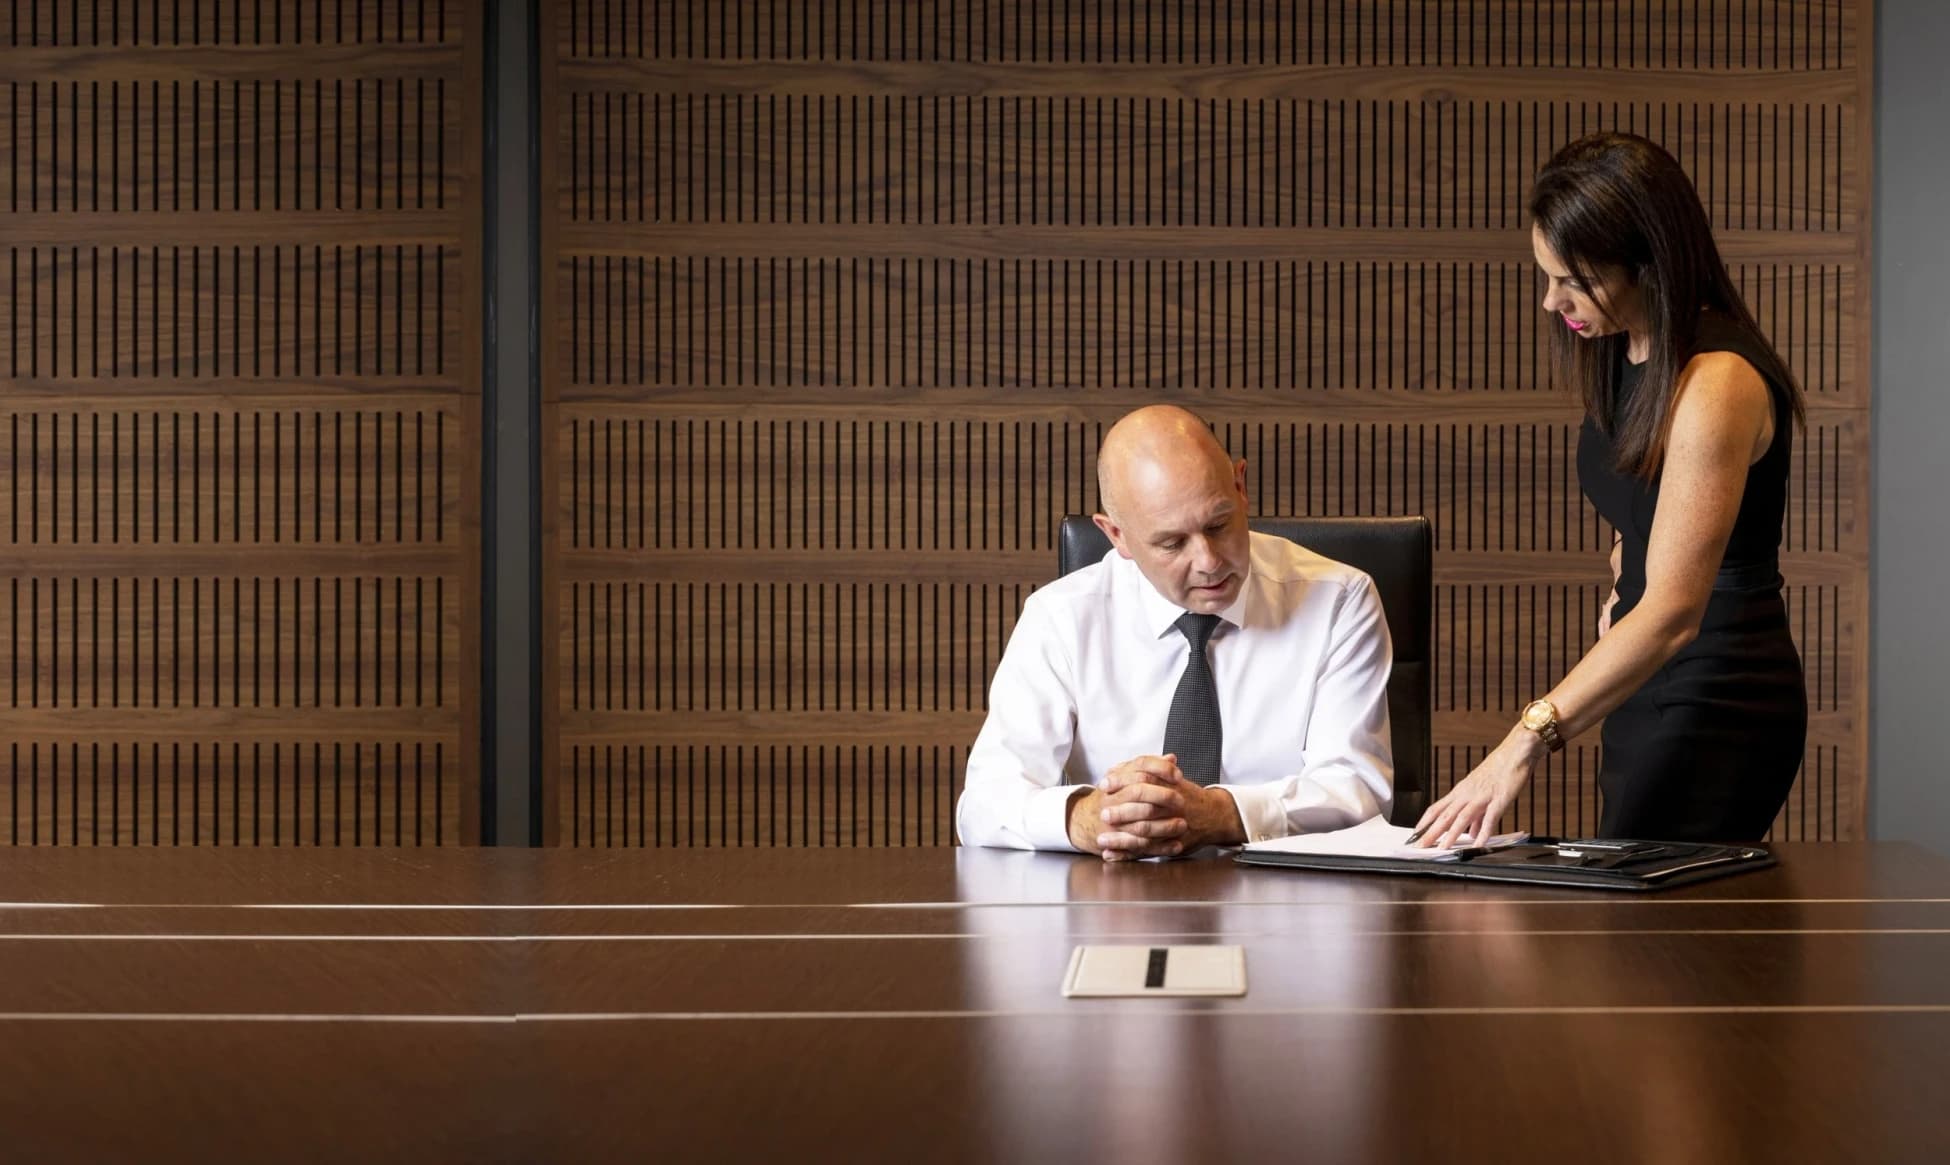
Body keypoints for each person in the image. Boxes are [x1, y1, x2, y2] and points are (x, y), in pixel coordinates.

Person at [1413, 131, 1807, 848]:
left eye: (1571, 278)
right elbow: (1639, 501)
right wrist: (1622, 571)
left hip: (1717, 695)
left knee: (1658, 935)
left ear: (1647, 262)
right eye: (1547, 274)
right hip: (1643, 678)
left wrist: (1521, 743)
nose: (1548, 300)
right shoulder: (1627, 350)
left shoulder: (1716, 381)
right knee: (1642, 932)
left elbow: (1676, 612)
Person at [955, 405, 1394, 859]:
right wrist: (1086, 818)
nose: (1208, 561)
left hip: (1288, 901)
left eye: (1218, 524)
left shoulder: (1339, 600)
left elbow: (1358, 790)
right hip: (1112, 906)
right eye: (1172, 543)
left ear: (1240, 486)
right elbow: (985, 804)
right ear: (1117, 536)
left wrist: (1220, 813)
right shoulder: (1061, 617)